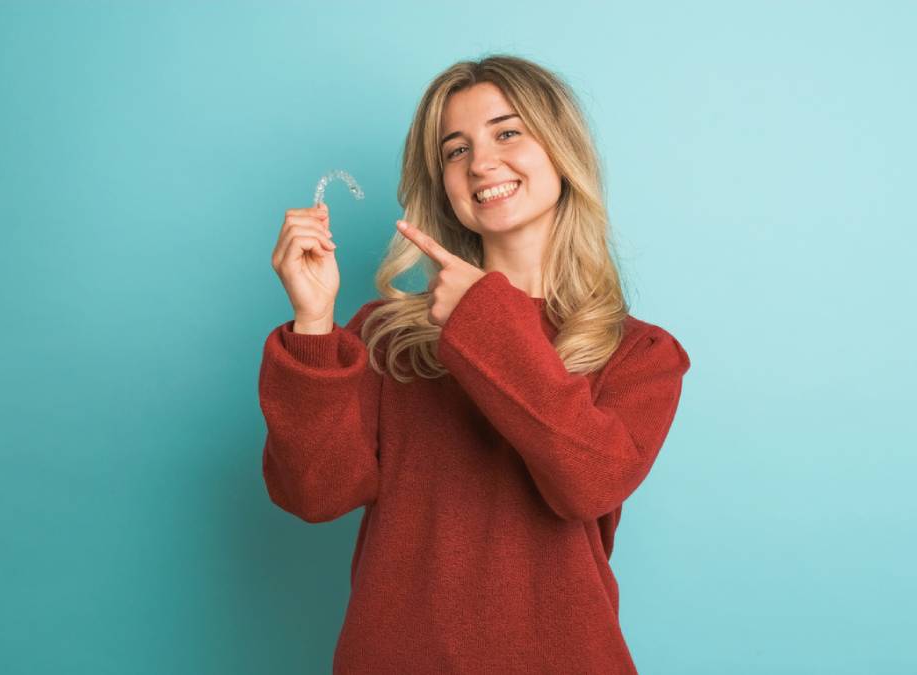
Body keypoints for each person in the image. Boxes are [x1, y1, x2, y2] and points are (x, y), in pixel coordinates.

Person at [260, 54, 691, 674]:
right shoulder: (388, 339)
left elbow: (587, 484)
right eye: (455, 150)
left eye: (507, 133)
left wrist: (482, 316)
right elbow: (314, 494)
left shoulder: (640, 354)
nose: (481, 163)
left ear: (562, 151)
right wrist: (313, 324)